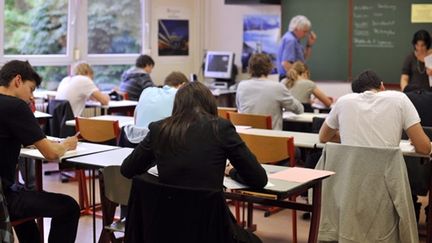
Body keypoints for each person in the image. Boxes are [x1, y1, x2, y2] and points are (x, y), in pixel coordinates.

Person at [121, 81, 267, 243]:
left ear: (176, 105)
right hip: (212, 231)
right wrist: (231, 171)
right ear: (210, 104)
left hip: (165, 230)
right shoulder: (221, 128)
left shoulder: (159, 129)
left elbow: (127, 169)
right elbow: (259, 179)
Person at [0, 60, 80, 243]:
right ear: (17, 80)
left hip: (5, 191)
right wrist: (67, 144)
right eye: (31, 89)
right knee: (69, 207)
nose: (31, 97)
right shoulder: (16, 106)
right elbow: (51, 154)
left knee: (23, 200)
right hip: (3, 198)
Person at [319, 69, 431, 155]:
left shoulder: (344, 101)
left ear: (356, 93)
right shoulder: (400, 99)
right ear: (382, 86)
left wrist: (349, 136)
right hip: (386, 181)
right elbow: (424, 149)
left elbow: (323, 137)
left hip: (350, 181)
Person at [236, 53, 304, 130]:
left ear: (250, 68)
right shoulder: (277, 87)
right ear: (270, 68)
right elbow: (299, 109)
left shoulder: (241, 86)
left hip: (247, 138)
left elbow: (239, 108)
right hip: (271, 139)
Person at [277, 15, 317, 81]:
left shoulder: (295, 40)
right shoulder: (290, 40)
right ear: (296, 29)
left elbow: (304, 58)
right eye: (304, 31)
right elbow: (286, 64)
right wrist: (300, 78)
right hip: (289, 78)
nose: (306, 34)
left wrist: (309, 44)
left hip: (292, 77)